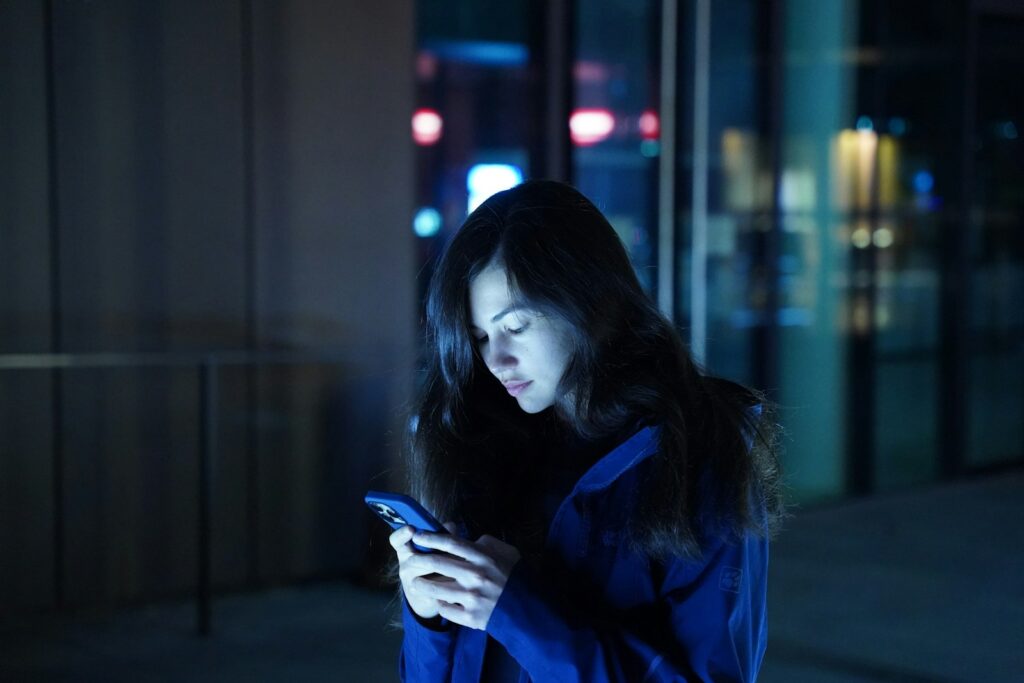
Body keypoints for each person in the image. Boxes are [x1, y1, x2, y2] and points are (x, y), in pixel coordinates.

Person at [387, 180, 784, 682]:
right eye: (480, 337)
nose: (496, 360)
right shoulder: (481, 440)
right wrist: (430, 616)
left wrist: (516, 612)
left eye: (516, 327)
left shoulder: (697, 453)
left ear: (588, 301)